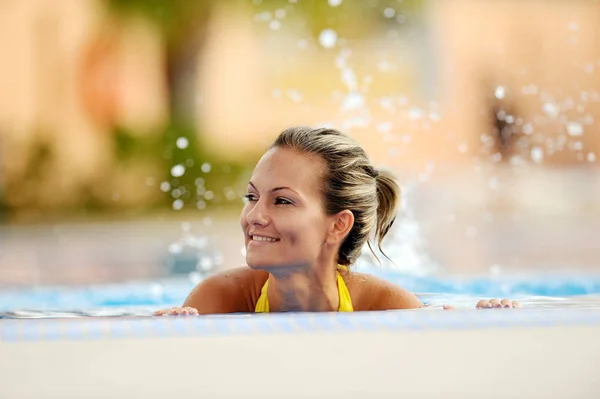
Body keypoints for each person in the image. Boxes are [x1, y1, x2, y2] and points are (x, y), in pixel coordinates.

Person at [155, 126, 518, 315]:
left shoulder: (385, 306)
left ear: (338, 225)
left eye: (281, 201)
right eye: (252, 197)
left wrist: (491, 319)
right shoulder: (219, 298)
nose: (254, 217)